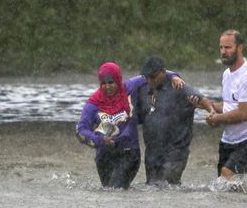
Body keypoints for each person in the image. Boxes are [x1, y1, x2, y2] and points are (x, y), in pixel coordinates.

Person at [76, 61, 183, 189]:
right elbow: (81, 130)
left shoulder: (130, 87)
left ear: (118, 79)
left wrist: (174, 77)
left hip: (129, 154)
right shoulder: (93, 103)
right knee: (108, 192)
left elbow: (156, 73)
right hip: (104, 156)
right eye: (103, 83)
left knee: (115, 189)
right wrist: (100, 140)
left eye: (111, 82)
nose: (107, 87)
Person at [126, 55, 214, 185]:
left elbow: (201, 99)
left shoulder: (178, 86)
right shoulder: (142, 88)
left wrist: (211, 112)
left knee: (166, 186)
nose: (150, 80)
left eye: (154, 76)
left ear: (163, 72)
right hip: (152, 152)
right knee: (152, 188)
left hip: (176, 151)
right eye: (147, 77)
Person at [206, 29, 247, 181]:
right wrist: (208, 106)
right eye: (221, 47)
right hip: (230, 139)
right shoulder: (227, 74)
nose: (223, 52)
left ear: (240, 48)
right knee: (223, 183)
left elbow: (244, 113)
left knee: (228, 174)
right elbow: (229, 105)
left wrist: (217, 119)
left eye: (228, 47)